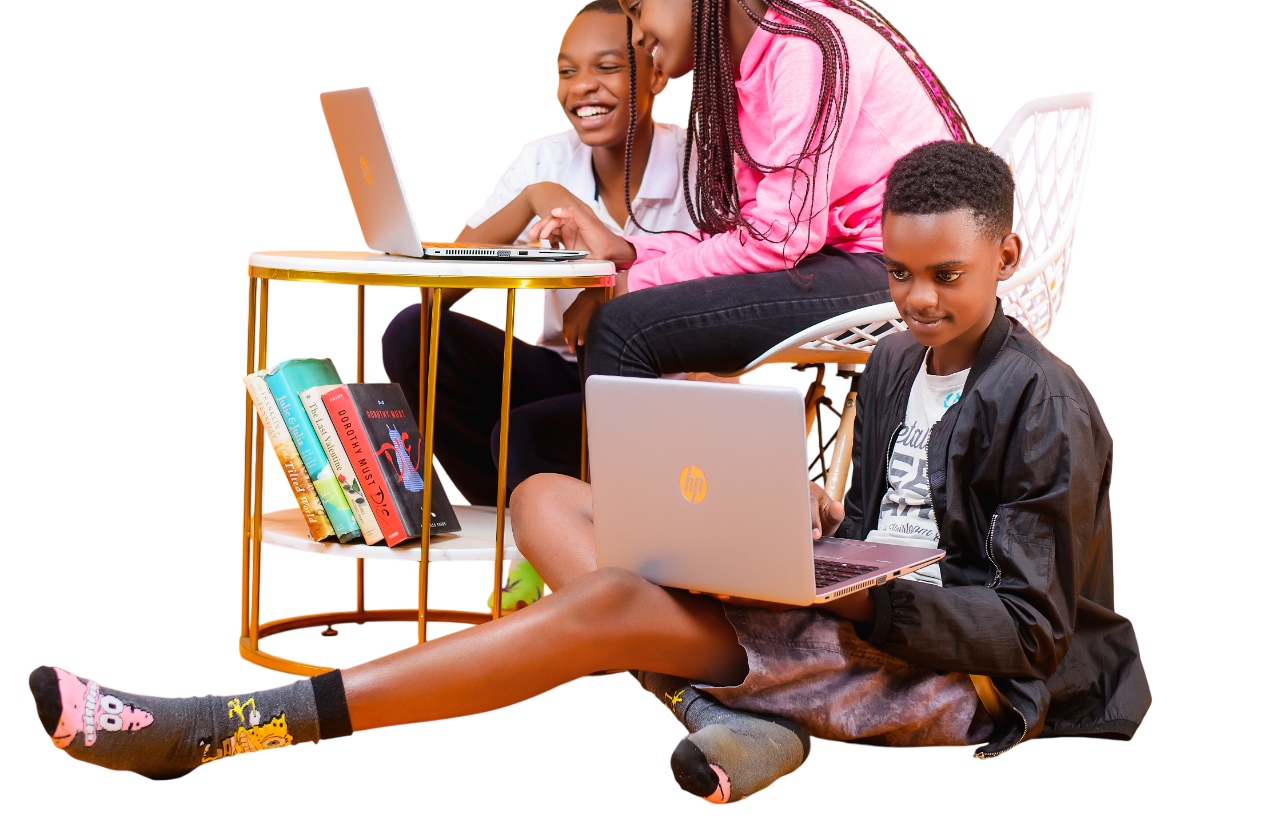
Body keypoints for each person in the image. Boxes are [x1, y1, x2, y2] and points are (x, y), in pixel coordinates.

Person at [28, 142, 1149, 801]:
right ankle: (713, 701)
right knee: (544, 498)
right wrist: (811, 520)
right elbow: (884, 519)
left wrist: (854, 596)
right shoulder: (900, 360)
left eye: (945, 275)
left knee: (607, 603)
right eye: (899, 274)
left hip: (954, 675)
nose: (915, 300)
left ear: (1007, 256)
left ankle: (227, 725)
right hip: (852, 611)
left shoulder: (1046, 406)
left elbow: (1031, 632)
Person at [531, 0, 973, 385]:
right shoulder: (750, 71)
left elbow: (780, 240)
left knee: (620, 327)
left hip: (909, 271)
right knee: (622, 319)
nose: (637, 36)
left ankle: (624, 441)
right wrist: (628, 252)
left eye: (636, 9)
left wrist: (631, 283)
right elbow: (749, 233)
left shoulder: (804, 46)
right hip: (852, 259)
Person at [379, 0, 696, 608]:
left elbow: (727, 279)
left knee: (523, 432)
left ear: (656, 75)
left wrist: (610, 292)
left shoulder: (697, 164)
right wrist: (535, 198)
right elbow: (443, 284)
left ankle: (549, 570)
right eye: (566, 71)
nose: (582, 88)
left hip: (656, 389)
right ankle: (521, 539)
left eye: (607, 67)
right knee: (414, 331)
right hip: (562, 368)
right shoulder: (545, 158)